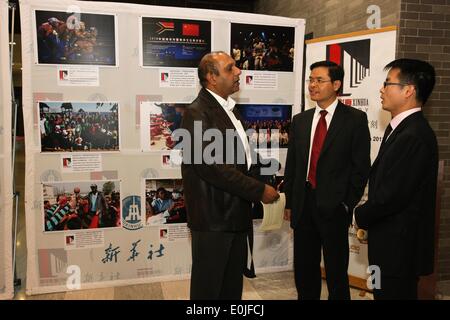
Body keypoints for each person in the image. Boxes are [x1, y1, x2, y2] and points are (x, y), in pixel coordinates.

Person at [180, 51, 279, 300]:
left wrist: (269, 178)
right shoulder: (196, 112)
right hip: (214, 220)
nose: (238, 72)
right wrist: (259, 191)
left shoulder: (228, 110)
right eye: (230, 68)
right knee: (209, 290)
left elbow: (241, 162)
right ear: (212, 78)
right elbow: (212, 167)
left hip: (234, 215)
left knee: (231, 289)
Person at [284, 60, 371, 300]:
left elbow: (361, 167)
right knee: (304, 269)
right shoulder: (301, 121)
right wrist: (290, 202)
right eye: (310, 80)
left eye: (319, 80)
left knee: (335, 271)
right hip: (303, 205)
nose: (312, 85)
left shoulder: (354, 119)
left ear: (336, 84)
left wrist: (347, 204)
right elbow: (293, 165)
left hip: (335, 208)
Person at [354, 59, 438, 300]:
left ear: (409, 90)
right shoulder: (401, 129)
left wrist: (359, 215)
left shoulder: (414, 135)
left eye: (387, 83)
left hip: (399, 250)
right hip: (388, 246)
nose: (381, 89)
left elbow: (392, 196)